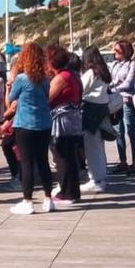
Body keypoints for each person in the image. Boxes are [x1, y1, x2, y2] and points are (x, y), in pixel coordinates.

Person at [1, 42, 56, 214]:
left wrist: (7, 88)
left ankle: (28, 201)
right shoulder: (46, 79)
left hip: (25, 124)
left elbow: (10, 101)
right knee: (43, 161)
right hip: (44, 124)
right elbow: (47, 97)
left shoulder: (22, 79)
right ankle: (48, 199)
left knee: (26, 163)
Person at [47, 45, 84, 203]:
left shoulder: (61, 78)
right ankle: (71, 191)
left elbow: (47, 98)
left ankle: (67, 192)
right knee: (69, 155)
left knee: (62, 156)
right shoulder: (72, 75)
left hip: (63, 121)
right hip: (73, 120)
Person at [80, 46, 112, 193]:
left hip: (90, 110)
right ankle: (100, 177)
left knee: (91, 147)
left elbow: (81, 89)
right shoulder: (104, 72)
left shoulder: (91, 73)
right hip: (102, 110)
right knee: (99, 146)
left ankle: (96, 179)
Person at [108, 40, 135, 176]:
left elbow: (129, 83)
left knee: (130, 131)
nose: (115, 53)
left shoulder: (132, 64)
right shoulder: (114, 64)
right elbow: (108, 79)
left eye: (117, 51)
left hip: (127, 100)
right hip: (115, 101)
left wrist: (112, 87)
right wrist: (111, 86)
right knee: (118, 132)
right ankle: (122, 161)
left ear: (125, 52)